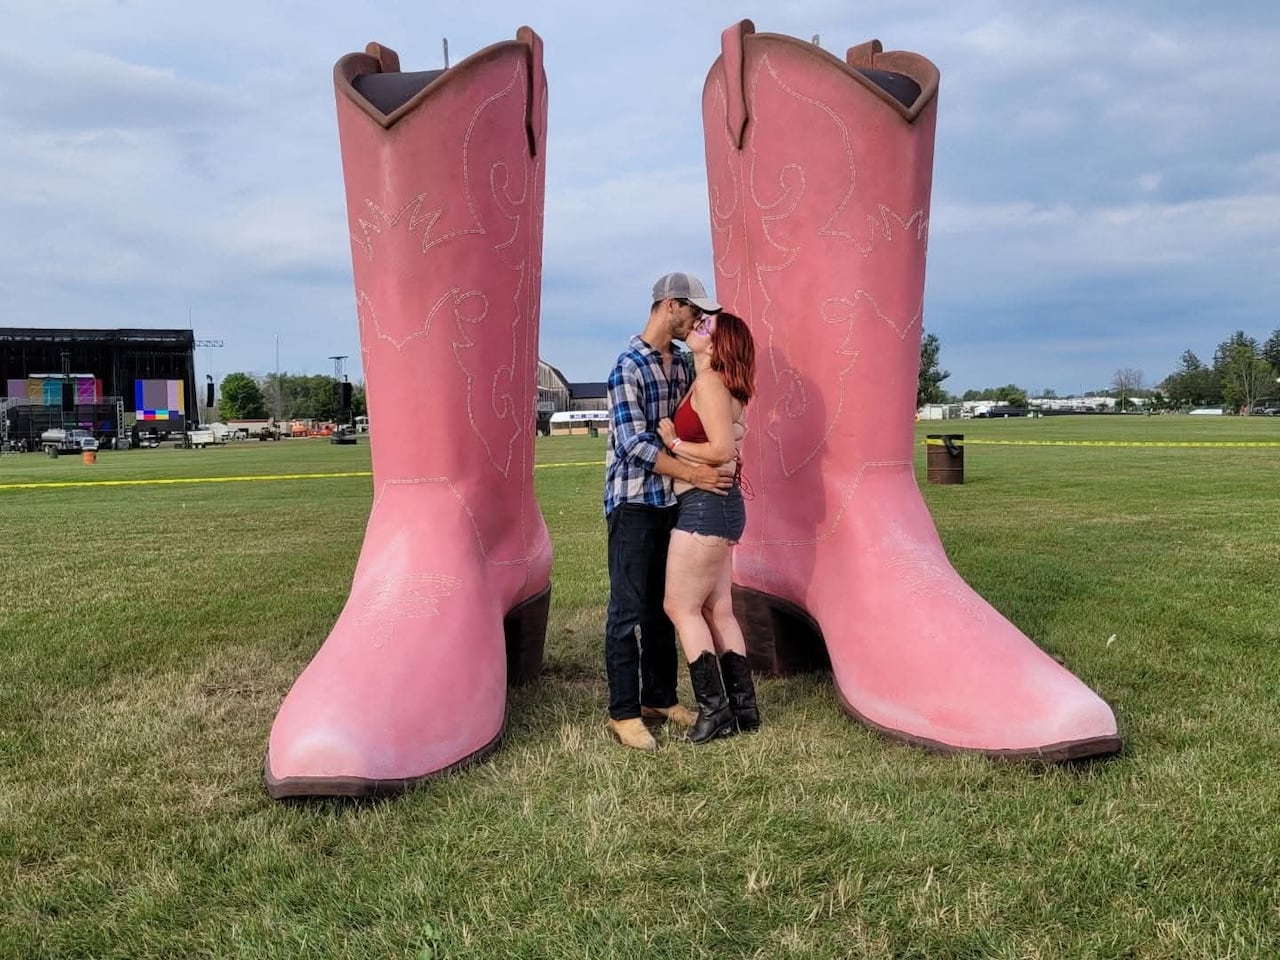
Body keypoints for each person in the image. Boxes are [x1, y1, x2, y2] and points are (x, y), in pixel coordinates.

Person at [604, 272, 734, 751]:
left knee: (665, 607)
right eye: (693, 311)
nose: (697, 320)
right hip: (635, 500)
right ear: (670, 304)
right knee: (626, 610)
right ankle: (623, 712)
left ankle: (659, 698)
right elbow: (632, 443)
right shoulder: (628, 365)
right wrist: (697, 472)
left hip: (674, 500)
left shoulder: (683, 364)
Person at [658, 311, 759, 743]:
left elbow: (721, 451)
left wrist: (674, 443)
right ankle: (744, 708)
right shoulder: (717, 384)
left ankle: (714, 710)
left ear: (717, 347)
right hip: (720, 506)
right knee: (718, 609)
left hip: (704, 508)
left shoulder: (713, 384)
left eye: (704, 329)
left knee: (679, 607)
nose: (696, 328)